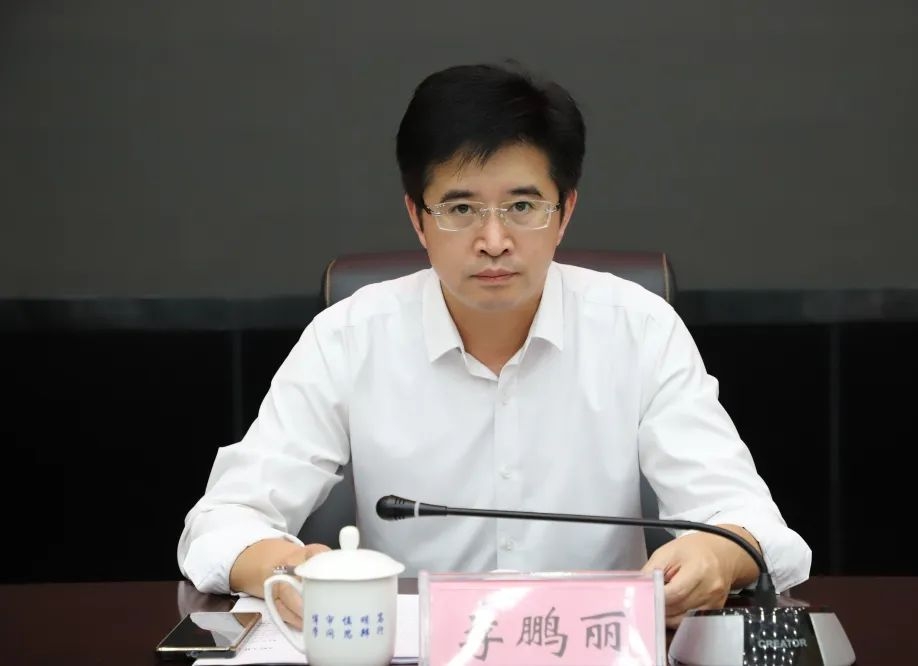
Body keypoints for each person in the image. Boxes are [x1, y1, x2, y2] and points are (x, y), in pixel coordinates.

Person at [178, 62, 810, 630]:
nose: (494, 240)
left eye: (523, 206)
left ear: (565, 212)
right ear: (417, 218)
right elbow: (222, 522)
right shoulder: (347, 338)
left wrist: (715, 554)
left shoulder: (640, 329)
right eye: (460, 209)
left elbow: (750, 523)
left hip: (594, 646)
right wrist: (285, 568)